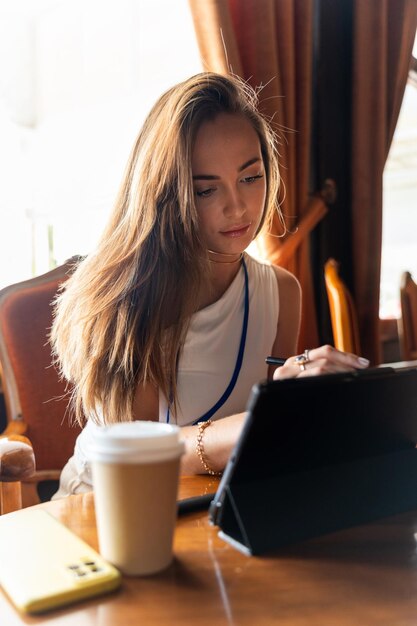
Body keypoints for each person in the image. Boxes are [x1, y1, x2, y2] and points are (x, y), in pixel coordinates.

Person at [50, 72, 369, 497]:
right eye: (205, 190)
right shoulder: (125, 298)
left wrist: (294, 399)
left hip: (211, 509)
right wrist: (260, 420)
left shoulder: (281, 293)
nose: (236, 207)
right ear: (165, 194)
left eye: (250, 178)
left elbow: (260, 443)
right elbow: (134, 451)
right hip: (102, 510)